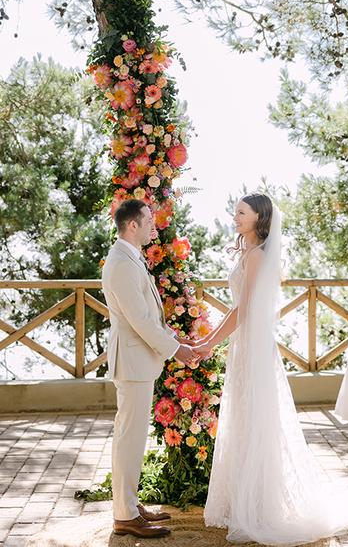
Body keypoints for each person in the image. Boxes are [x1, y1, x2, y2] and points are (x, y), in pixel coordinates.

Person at [192, 193, 348, 546]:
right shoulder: (248, 252)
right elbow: (236, 309)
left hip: (253, 347)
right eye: (236, 211)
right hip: (246, 346)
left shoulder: (256, 256)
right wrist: (210, 340)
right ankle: (244, 499)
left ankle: (260, 504)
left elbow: (242, 311)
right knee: (244, 418)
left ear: (260, 218)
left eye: (242, 212)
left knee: (256, 419)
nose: (235, 216)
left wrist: (208, 343)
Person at [102, 199, 197, 539]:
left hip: (137, 360)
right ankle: (125, 515)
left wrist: (175, 338)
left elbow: (146, 314)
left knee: (132, 437)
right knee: (129, 439)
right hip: (132, 362)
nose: (153, 224)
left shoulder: (129, 258)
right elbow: (140, 320)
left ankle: (128, 504)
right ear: (132, 225)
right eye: (147, 220)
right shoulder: (122, 264)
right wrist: (177, 350)